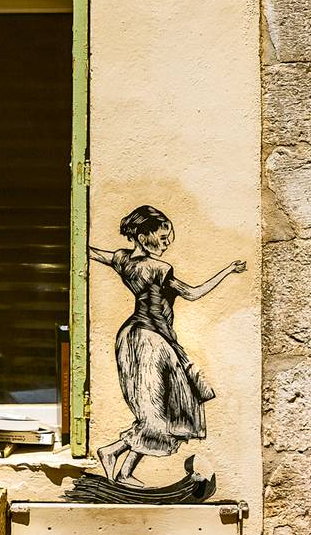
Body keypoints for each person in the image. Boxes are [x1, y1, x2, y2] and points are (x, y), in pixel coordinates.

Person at [90, 206, 246, 484]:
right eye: (162, 237)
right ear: (142, 235)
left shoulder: (121, 260)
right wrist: (228, 271)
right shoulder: (159, 268)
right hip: (149, 341)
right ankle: (114, 455)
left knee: (159, 410)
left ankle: (121, 466)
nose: (167, 243)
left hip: (139, 338)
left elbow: (88, 251)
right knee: (159, 411)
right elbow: (193, 293)